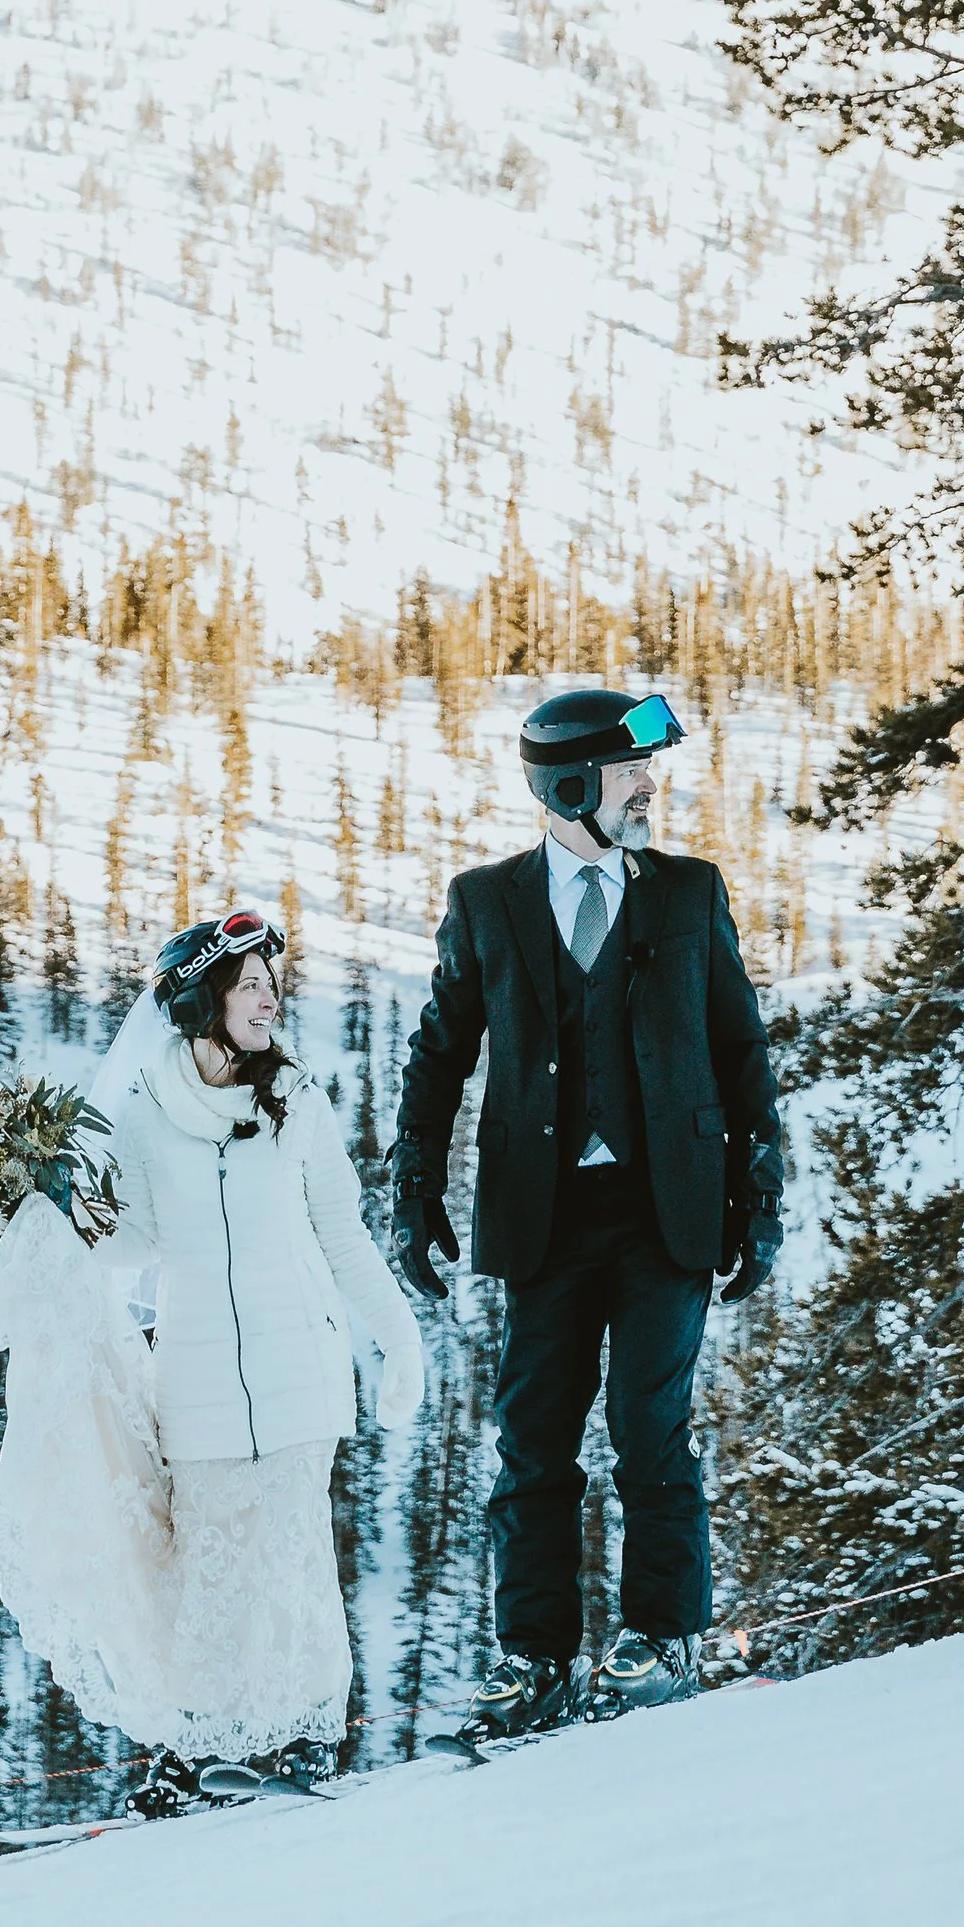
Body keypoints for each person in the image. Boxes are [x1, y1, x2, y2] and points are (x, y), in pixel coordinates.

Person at [389, 688, 784, 1740]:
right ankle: (535, 1662)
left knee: (648, 1429)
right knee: (533, 1442)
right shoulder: (487, 903)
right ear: (570, 788)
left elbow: (740, 1049)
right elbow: (440, 1054)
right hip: (544, 1218)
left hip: (668, 1213)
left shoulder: (689, 894)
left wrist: (762, 1194)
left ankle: (662, 1637)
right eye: (627, 775)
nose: (648, 789)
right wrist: (413, 1182)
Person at [0, 907, 423, 1812]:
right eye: (249, 985)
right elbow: (134, 1243)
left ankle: (305, 1737)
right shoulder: (143, 1109)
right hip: (199, 1380)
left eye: (270, 984)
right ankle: (196, 1745)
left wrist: (398, 1335)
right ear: (202, 1003)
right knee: (207, 1572)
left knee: (295, 1561)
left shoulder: (298, 1102)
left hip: (300, 1372)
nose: (269, 1000)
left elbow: (342, 1234)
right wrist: (55, 1211)